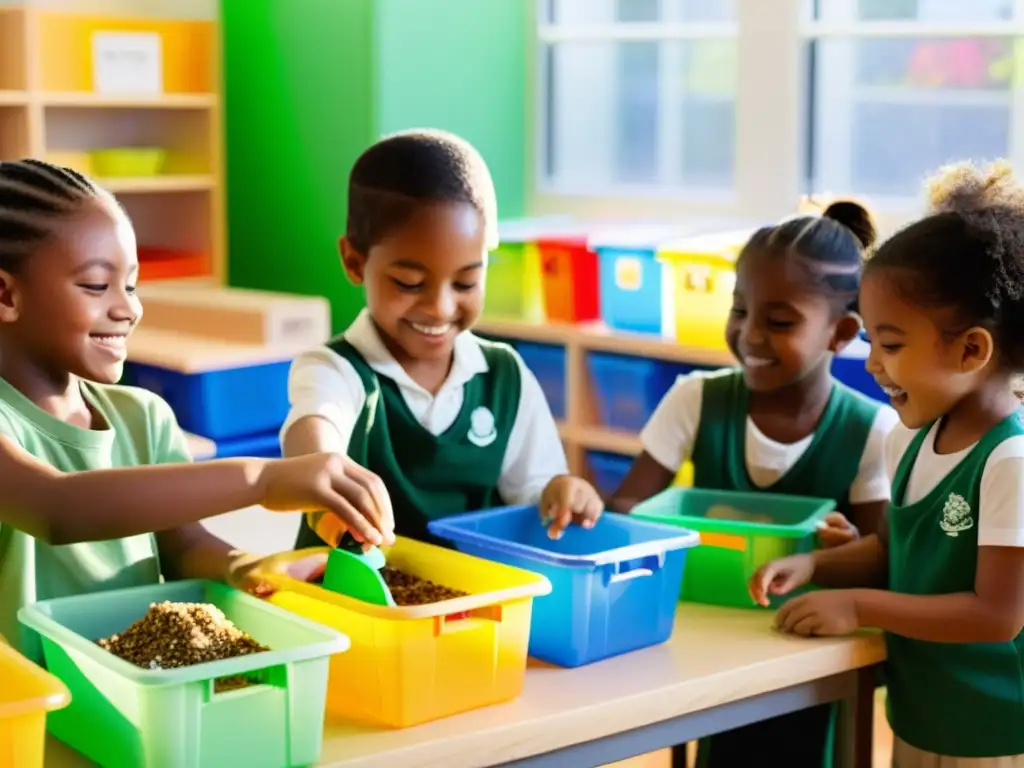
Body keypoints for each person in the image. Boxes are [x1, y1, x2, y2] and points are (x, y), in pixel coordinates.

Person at [0, 158, 387, 660]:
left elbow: (183, 547)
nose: (129, 308)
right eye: (97, 285)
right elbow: (58, 509)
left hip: (134, 694)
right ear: (6, 293)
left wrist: (246, 567)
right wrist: (264, 479)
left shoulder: (144, 418)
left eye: (132, 285)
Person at [750, 160, 1024, 767]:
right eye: (872, 341)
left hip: (995, 736)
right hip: (923, 715)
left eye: (892, 345)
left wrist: (858, 606)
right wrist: (815, 564)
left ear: (972, 349)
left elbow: (997, 614)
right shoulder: (910, 438)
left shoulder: (1010, 461)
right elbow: (890, 549)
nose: (873, 365)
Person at [612, 202, 900, 768]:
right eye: (739, 309)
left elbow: (884, 555)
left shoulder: (872, 429)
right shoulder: (696, 399)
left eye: (780, 320)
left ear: (841, 333)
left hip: (812, 658)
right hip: (706, 647)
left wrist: (841, 551)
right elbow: (627, 504)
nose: (749, 334)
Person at [281, 129, 602, 551]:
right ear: (354, 261)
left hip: (472, 606)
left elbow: (534, 490)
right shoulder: (336, 370)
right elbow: (314, 427)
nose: (439, 307)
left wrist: (562, 492)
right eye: (409, 283)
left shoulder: (504, 377)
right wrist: (322, 468)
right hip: (348, 604)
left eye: (466, 282)